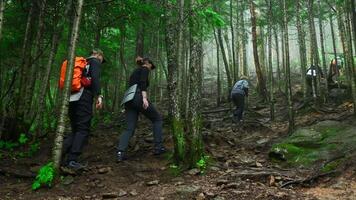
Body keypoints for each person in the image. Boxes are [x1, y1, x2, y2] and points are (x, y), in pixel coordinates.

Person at [116, 56, 166, 162]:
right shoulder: (144, 69)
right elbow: (142, 82)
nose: (150, 69)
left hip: (129, 99)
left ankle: (120, 152)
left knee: (129, 128)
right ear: (147, 63)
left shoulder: (135, 71)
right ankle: (159, 147)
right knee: (157, 119)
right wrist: (144, 98)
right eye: (150, 66)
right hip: (138, 96)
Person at [62, 49, 105, 170]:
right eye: (102, 59)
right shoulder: (95, 62)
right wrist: (99, 96)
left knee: (76, 129)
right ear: (98, 55)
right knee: (83, 129)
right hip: (84, 97)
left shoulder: (83, 63)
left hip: (72, 97)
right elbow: (95, 79)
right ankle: (72, 160)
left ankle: (61, 154)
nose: (101, 62)